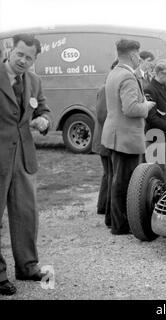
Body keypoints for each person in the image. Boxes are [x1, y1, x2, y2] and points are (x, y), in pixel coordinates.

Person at [0, 34, 52, 296]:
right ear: (11, 50)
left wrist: (44, 120)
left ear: (35, 60)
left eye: (29, 57)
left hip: (23, 158)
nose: (23, 60)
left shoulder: (34, 80)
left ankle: (27, 266)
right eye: (20, 54)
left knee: (26, 215)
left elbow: (43, 109)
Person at [101, 39, 156, 235]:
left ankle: (111, 219)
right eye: (138, 55)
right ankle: (122, 225)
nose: (139, 59)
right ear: (133, 55)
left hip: (114, 134)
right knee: (125, 182)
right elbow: (131, 109)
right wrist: (147, 107)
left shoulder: (114, 73)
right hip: (126, 137)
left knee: (115, 179)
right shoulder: (128, 77)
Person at [92, 60, 118, 227]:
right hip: (104, 139)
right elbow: (102, 116)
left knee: (108, 174)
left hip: (107, 139)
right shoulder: (104, 89)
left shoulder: (110, 87)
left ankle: (103, 206)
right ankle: (107, 208)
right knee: (110, 175)